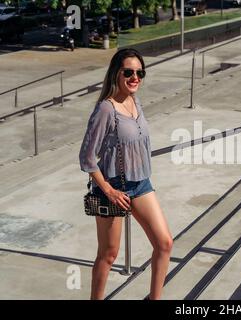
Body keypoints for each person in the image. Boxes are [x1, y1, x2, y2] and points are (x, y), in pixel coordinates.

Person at [79, 48, 173, 300]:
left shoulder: (135, 101)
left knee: (164, 244)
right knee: (108, 255)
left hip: (141, 184)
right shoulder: (106, 110)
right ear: (116, 74)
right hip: (112, 189)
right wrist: (109, 191)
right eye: (128, 72)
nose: (135, 78)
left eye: (139, 72)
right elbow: (87, 157)